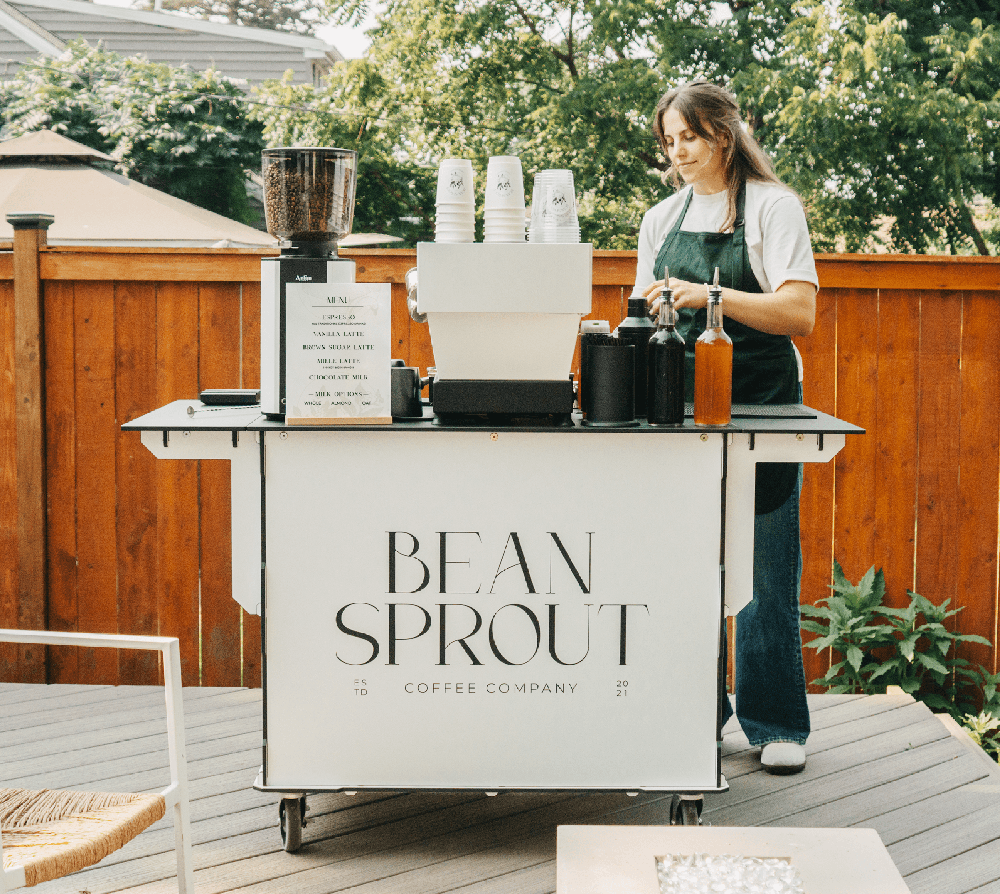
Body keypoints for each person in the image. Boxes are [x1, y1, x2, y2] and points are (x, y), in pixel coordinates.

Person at [633, 79, 818, 775]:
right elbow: (640, 311)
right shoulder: (661, 219)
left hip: (764, 403)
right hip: (680, 407)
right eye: (669, 140)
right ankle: (693, 714)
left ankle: (775, 724)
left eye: (688, 136)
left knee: (765, 567)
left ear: (722, 134)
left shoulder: (775, 208)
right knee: (684, 564)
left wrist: (708, 295)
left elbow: (797, 313)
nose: (678, 151)